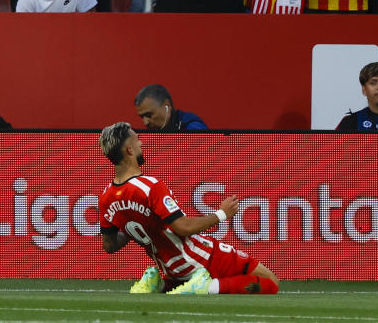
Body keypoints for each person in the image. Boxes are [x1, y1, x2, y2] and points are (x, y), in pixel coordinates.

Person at [98, 121, 279, 294]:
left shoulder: (106, 197)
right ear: (129, 150)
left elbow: (110, 245)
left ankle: (160, 285)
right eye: (137, 139)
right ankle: (206, 287)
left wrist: (134, 222)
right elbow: (184, 228)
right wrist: (222, 213)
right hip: (201, 258)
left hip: (170, 269)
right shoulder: (150, 187)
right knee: (271, 282)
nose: (141, 143)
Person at [134, 84, 208, 130]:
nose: (145, 122)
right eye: (142, 117)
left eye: (149, 115)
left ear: (167, 106)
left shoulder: (192, 128)